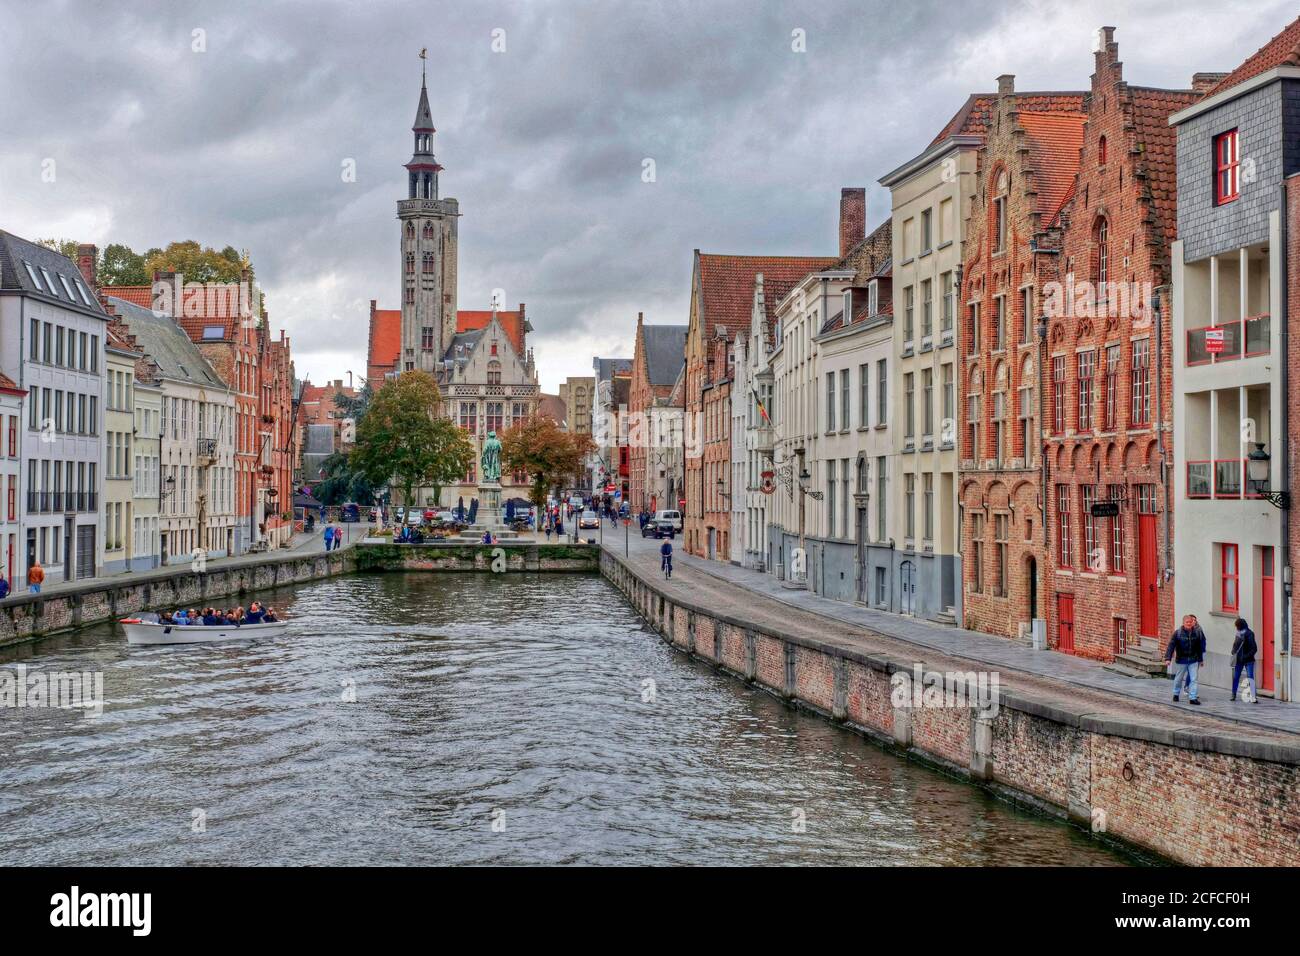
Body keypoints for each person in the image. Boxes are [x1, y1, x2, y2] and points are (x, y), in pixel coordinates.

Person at [1164, 614, 1206, 705]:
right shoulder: (1178, 633)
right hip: (1182, 659)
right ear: (1183, 623)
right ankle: (1176, 693)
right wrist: (1168, 658)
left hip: (1193, 659)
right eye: (1187, 622)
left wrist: (1201, 659)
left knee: (1194, 679)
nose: (1189, 624)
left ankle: (1192, 698)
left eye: (1190, 622)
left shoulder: (1196, 633)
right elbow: (1171, 645)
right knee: (1179, 678)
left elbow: (1199, 647)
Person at [1230, 617, 1258, 702]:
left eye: (1237, 626)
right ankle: (1233, 694)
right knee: (1235, 677)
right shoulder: (1238, 633)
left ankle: (1253, 696)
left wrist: (1245, 656)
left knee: (1250, 677)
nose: (1236, 628)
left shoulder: (1250, 634)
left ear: (1240, 626)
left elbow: (1254, 648)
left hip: (1248, 660)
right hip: (1238, 660)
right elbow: (1235, 645)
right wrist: (1233, 651)